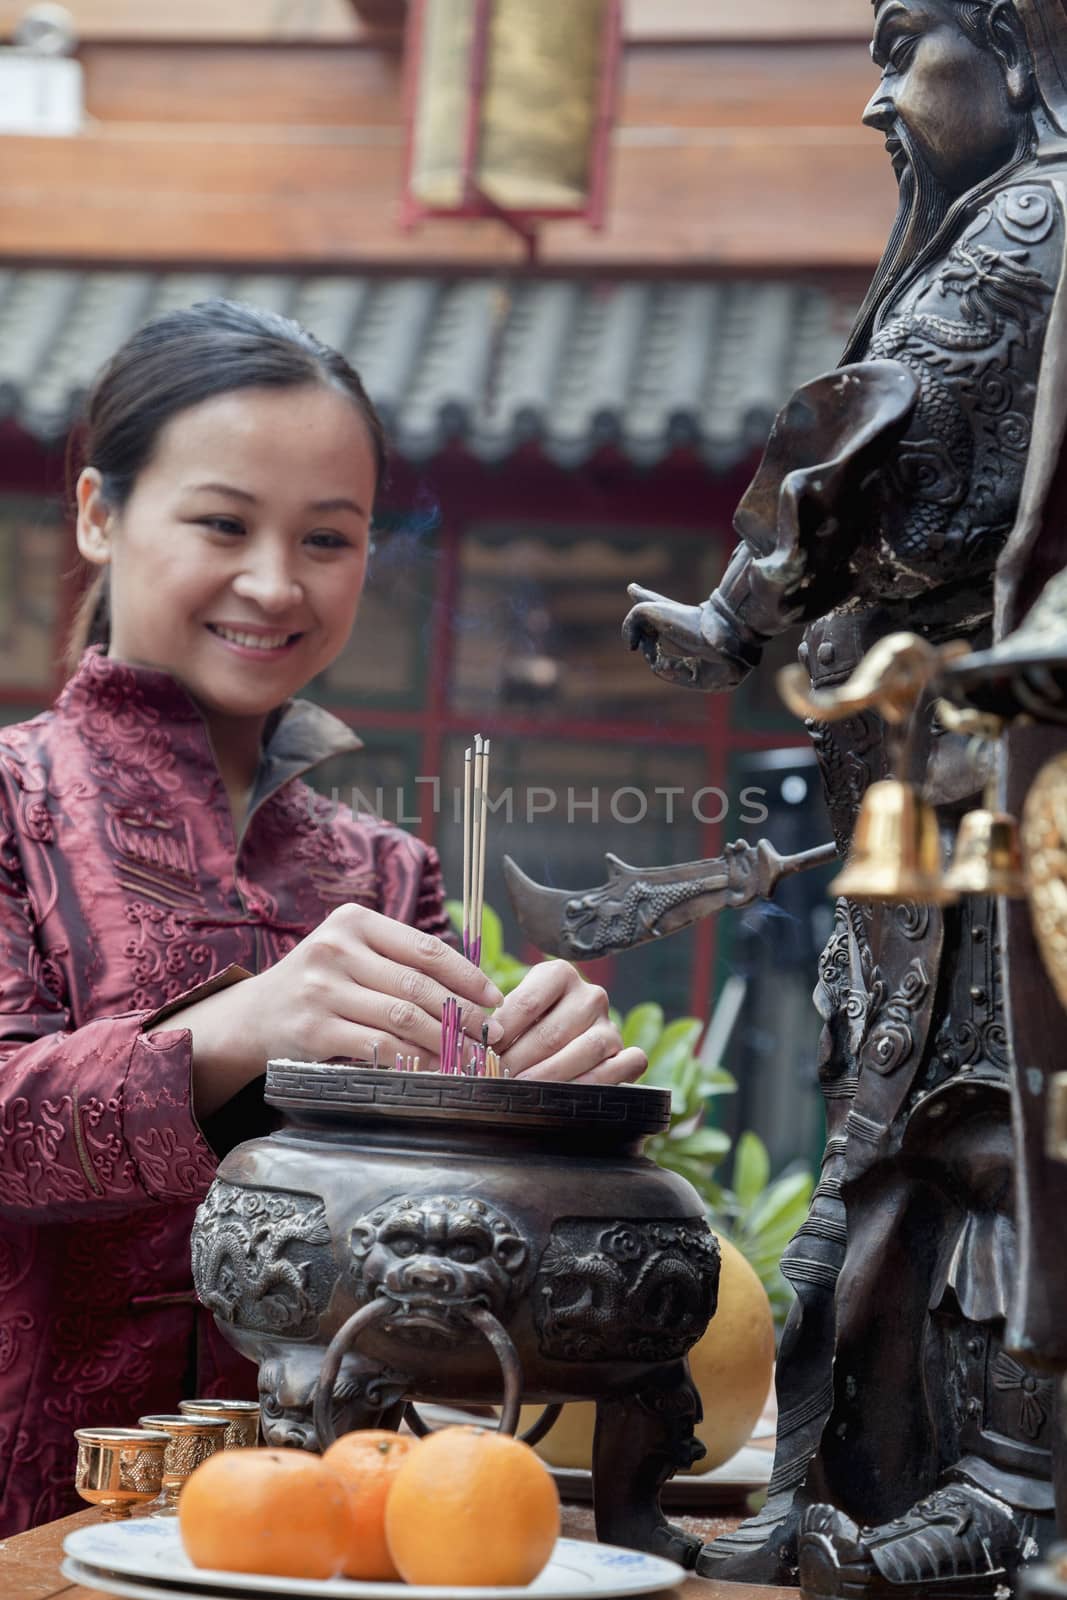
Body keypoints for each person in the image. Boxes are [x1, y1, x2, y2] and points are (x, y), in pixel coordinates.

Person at [0, 299, 645, 1535]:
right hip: (32, 1515)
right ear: (97, 512)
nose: (273, 582)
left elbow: (441, 1238)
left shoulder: (385, 871)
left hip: (335, 1516)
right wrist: (224, 1032)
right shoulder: (15, 800)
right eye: (221, 522)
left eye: (329, 538)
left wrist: (550, 1109)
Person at [623, 0, 1067, 1593]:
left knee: (999, 1132)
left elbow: (861, 437)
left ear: (1016, 52)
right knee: (903, 1130)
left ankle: (1005, 1483)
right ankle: (861, 1477)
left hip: (1001, 788)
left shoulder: (1030, 213)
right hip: (926, 789)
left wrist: (739, 610)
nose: (879, 100)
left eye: (905, 49)